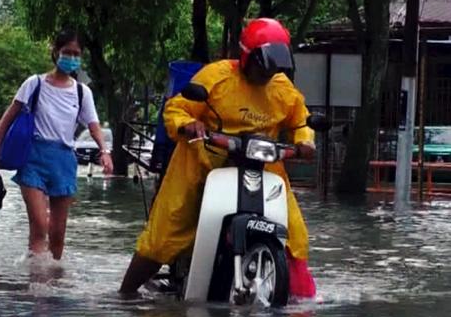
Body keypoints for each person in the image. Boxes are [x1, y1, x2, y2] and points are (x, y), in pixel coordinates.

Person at [119, 18, 317, 298]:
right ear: (247, 57)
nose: (267, 74)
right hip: (203, 161)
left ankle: (298, 301)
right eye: (263, 66)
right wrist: (189, 124)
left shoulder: (283, 88)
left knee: (295, 233)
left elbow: (301, 120)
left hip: (263, 166)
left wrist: (305, 141)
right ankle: (125, 294)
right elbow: (176, 108)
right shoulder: (216, 77)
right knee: (166, 232)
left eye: (274, 69)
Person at [0, 28, 113, 258]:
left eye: (76, 54)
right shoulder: (34, 84)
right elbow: (6, 120)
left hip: (64, 161)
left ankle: (53, 281)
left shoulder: (83, 92)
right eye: (67, 52)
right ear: (55, 52)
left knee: (58, 233)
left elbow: (94, 126)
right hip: (33, 158)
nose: (71, 58)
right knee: (40, 225)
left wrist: (105, 151)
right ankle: (35, 283)